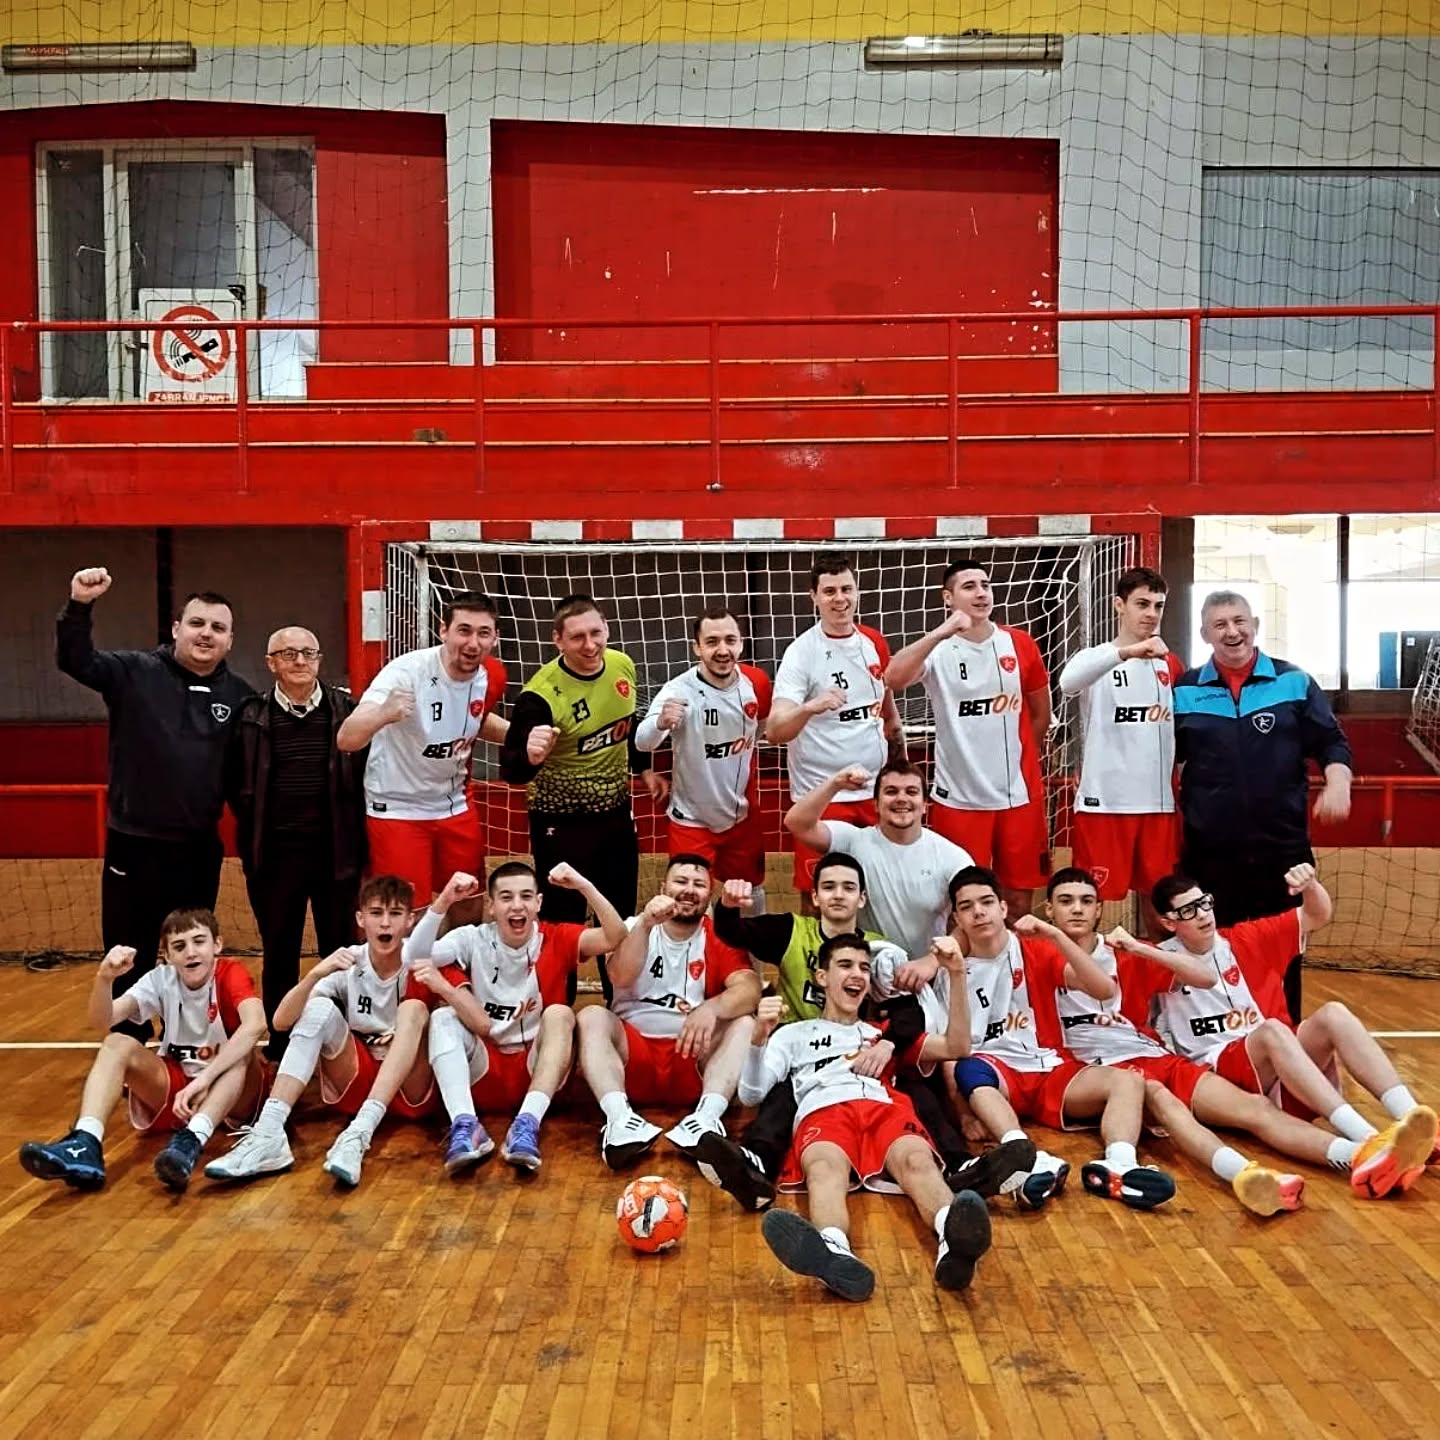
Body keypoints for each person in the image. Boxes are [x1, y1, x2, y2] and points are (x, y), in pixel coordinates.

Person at [1039, 867, 1377, 1215]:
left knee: (1257, 1108)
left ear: (1099, 909)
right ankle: (1243, 1175)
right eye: (1066, 901)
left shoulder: (1124, 952)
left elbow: (1205, 977)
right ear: (1049, 909)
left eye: (1086, 901)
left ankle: (1363, 1154)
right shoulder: (1032, 953)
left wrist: (1141, 949)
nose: (1077, 909)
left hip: (1153, 1055)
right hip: (1093, 1067)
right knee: (1160, 1098)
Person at [1129, 869, 1437, 1197]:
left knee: (1333, 1014)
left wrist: (1311, 886)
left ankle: (1417, 1124)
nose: (1203, 914)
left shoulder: (1246, 938)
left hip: (1284, 1066)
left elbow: (1316, 915)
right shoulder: (1155, 959)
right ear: (1168, 922)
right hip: (1221, 1070)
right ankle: (1366, 1136)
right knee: (1271, 1031)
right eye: (1189, 911)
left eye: (1205, 903)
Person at [699, 854, 980, 1210]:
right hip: (800, 1046)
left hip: (864, 1046)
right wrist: (727, 906)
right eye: (828, 887)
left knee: (917, 1087)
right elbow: (733, 932)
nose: (838, 895)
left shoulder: (880, 949)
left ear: (862, 898)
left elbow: (908, 1011)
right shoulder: (791, 930)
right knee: (781, 1097)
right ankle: (756, 1165)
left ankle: (958, 1164)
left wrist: (889, 1044)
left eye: (848, 888)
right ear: (815, 896)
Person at [57, 567, 253, 1034]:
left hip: (197, 850)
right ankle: (129, 1041)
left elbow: (243, 782)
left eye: (218, 627)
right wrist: (79, 605)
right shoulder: (134, 672)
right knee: (129, 950)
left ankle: (191, 1041)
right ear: (177, 628)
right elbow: (75, 660)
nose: (206, 634)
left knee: (192, 951)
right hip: (134, 844)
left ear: (230, 640)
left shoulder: (242, 698)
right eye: (197, 623)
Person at [745, 934, 992, 1302]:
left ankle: (952, 1238)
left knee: (918, 1160)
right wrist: (757, 1039)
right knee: (825, 1167)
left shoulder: (885, 1035)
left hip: (884, 1107)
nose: (857, 974)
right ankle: (833, 1251)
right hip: (824, 1108)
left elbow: (958, 1046)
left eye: (864, 968)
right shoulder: (791, 1035)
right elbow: (751, 1094)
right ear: (822, 977)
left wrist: (956, 974)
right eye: (845, 965)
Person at [943, 865, 1177, 1211]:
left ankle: (1119, 1165)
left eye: (987, 902)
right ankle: (1028, 1158)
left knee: (1128, 1081)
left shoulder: (1035, 950)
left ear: (1003, 908)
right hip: (999, 1076)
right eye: (967, 906)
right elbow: (949, 1051)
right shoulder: (949, 969)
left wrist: (1055, 935)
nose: (978, 912)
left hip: (1049, 1066)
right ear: (957, 918)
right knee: (970, 1067)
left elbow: (1103, 988)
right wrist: (963, 1113)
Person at [1174, 589, 1353, 1020]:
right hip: (1210, 851)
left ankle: (1285, 1037)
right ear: (1205, 634)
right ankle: (1225, 1041)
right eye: (1220, 625)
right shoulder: (1183, 690)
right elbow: (1163, 759)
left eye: (1239, 621)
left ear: (1254, 625)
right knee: (1215, 950)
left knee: (1284, 949)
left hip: (1283, 850)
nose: (1232, 632)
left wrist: (1339, 783)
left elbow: (1331, 741)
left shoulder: (1294, 681)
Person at [203, 875, 436, 1189]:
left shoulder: (425, 957)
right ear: (360, 919)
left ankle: (359, 1133)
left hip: (411, 1088)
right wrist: (314, 974)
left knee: (416, 1011)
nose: (385, 923)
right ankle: (269, 1132)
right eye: (376, 913)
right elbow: (281, 1022)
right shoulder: (348, 962)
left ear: (410, 920)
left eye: (395, 914)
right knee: (319, 1008)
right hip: (357, 1079)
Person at [19, 908, 267, 1193]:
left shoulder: (230, 973)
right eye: (179, 946)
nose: (190, 952)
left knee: (241, 1054)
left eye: (199, 941)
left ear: (217, 945)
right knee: (116, 1043)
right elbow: (102, 1021)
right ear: (167, 956)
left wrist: (205, 1080)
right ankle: (86, 1141)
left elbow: (256, 1024)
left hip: (233, 1094)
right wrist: (104, 979)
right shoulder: (161, 979)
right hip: (178, 1090)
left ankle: (192, 1139)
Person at [409, 861, 627, 1175]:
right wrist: (444, 901)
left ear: (538, 903)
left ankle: (527, 1124)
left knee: (560, 1013)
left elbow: (615, 936)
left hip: (537, 1072)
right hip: (484, 1071)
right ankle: (465, 1124)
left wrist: (583, 885)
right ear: (491, 906)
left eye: (526, 896)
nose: (517, 905)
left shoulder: (556, 937)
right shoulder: (471, 938)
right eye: (506, 897)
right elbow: (414, 956)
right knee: (443, 1016)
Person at [228, 625, 369, 1060]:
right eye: (289, 654)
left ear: (320, 659)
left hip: (336, 854)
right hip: (274, 858)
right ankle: (282, 1039)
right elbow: (235, 783)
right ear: (271, 663)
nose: (301, 661)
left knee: (340, 950)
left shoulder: (348, 711)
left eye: (309, 652)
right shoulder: (250, 716)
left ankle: (341, 1037)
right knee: (279, 951)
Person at [885, 558, 1051, 920]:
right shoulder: (938, 649)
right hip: (958, 799)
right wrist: (942, 632)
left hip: (1018, 796)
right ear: (948, 597)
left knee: (1018, 902)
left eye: (985, 585)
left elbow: (1040, 714)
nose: (981, 593)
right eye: (969, 586)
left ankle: (1012, 959)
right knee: (959, 901)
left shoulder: (1020, 644)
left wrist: (1018, 763)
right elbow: (893, 678)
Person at [499, 595, 664, 945]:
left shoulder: (621, 665)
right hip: (559, 820)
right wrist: (530, 757)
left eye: (595, 633)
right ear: (558, 640)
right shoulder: (539, 697)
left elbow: (627, 723)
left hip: (615, 812)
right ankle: (561, 983)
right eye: (577, 637)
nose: (590, 645)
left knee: (620, 914)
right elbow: (510, 770)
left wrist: (644, 769)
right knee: (564, 919)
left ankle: (617, 983)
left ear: (607, 629)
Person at [578, 854, 761, 1168]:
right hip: (633, 1058)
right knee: (590, 1016)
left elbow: (750, 988)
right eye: (681, 881)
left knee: (744, 1022)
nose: (689, 890)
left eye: (699, 884)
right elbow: (619, 977)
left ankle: (706, 1120)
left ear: (709, 895)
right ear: (663, 887)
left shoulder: (718, 934)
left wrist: (711, 1008)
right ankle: (619, 1121)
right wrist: (646, 924)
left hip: (689, 1054)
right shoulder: (633, 926)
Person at [336, 592, 508, 905]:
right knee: (407, 910)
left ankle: (457, 942)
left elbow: (478, 719)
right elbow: (347, 739)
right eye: (464, 630)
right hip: (398, 807)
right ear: (444, 631)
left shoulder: (493, 675)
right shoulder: (405, 673)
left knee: (469, 898)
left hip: (454, 803)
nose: (473, 643)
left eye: (483, 633)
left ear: (495, 638)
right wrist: (383, 713)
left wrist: (520, 737)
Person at [1057, 567, 1183, 933]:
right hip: (1105, 805)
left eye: (1158, 606)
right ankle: (1084, 970)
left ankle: (1157, 970)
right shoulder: (1096, 658)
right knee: (1087, 906)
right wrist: (1128, 652)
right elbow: (1067, 683)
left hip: (1158, 807)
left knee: (1161, 909)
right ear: (1118, 605)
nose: (1151, 613)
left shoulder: (1171, 665)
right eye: (1142, 604)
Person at [767, 555, 903, 894]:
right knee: (821, 895)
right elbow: (775, 731)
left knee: (880, 889)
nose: (839, 599)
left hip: (874, 794)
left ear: (857, 592)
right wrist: (810, 707)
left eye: (846, 589)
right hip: (823, 799)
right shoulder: (801, 652)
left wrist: (898, 754)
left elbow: (886, 710)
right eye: (829, 591)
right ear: (814, 597)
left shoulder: (874, 642)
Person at [635, 605, 773, 897]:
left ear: (741, 643)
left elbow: (761, 728)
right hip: (691, 820)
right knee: (687, 899)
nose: (722, 650)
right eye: (712, 642)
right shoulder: (678, 691)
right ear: (697, 648)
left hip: (741, 817)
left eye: (730, 640)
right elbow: (642, 742)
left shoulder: (757, 682)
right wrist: (660, 723)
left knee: (750, 892)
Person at [784, 760, 973, 964]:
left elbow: (972, 922)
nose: (901, 799)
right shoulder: (853, 841)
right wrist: (835, 783)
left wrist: (931, 962)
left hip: (924, 974)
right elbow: (796, 823)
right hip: (863, 973)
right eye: (891, 791)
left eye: (911, 792)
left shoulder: (952, 857)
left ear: (925, 804)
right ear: (875, 804)